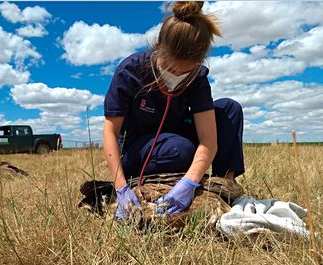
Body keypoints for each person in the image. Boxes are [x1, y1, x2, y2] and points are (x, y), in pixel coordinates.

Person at [102, 1, 244, 221]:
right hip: (138, 147)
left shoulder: (197, 78)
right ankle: (154, 179)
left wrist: (189, 183)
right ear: (158, 47)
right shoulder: (130, 71)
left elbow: (209, 139)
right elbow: (110, 132)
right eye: (170, 69)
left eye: (186, 72)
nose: (176, 77)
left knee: (229, 109)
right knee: (180, 149)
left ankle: (224, 188)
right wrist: (120, 187)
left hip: (176, 136)